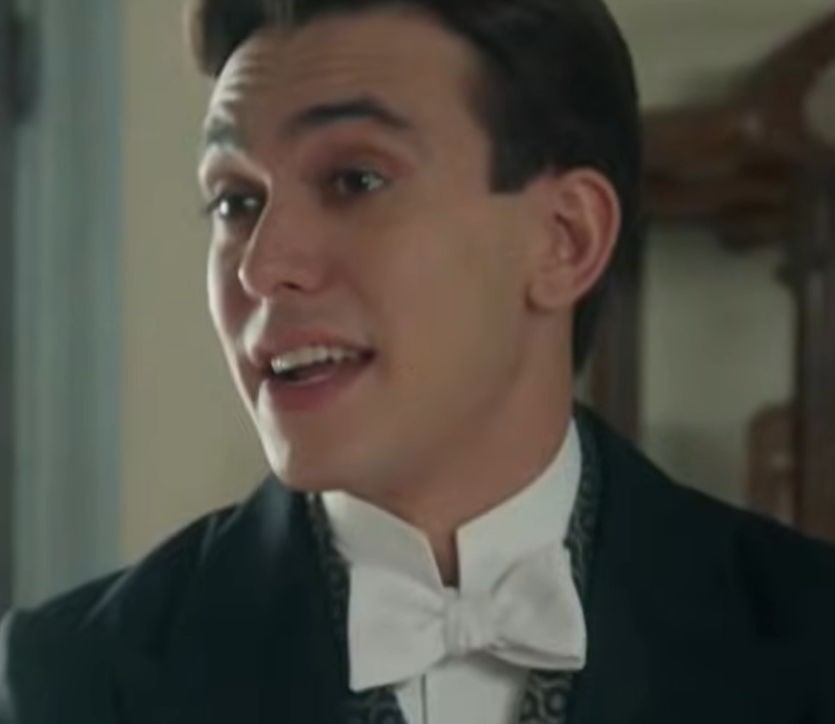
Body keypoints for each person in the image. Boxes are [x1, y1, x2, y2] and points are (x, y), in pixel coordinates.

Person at [3, 0, 835, 721]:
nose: (262, 265)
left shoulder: (812, 638)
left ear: (565, 239)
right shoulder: (70, 682)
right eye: (235, 200)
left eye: (355, 180)